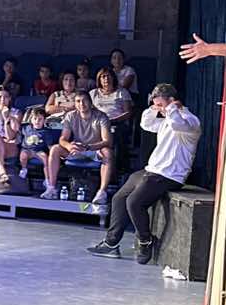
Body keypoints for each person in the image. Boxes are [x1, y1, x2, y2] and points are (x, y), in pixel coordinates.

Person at [86, 84, 201, 264]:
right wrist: (155, 108)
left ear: (172, 101)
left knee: (134, 202)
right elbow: (146, 123)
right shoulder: (166, 119)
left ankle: (145, 241)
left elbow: (177, 124)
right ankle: (111, 243)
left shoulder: (190, 121)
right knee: (119, 198)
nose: (160, 109)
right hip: (152, 170)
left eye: (161, 105)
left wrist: (171, 108)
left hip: (170, 175)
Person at [41, 91, 113, 202]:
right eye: (78, 101)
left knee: (107, 152)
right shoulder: (71, 116)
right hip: (76, 149)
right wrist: (69, 146)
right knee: (55, 149)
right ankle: (52, 189)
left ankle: (102, 193)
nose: (81, 104)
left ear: (90, 102)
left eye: (84, 101)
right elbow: (62, 139)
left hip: (94, 149)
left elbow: (107, 141)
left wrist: (88, 147)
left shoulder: (101, 116)